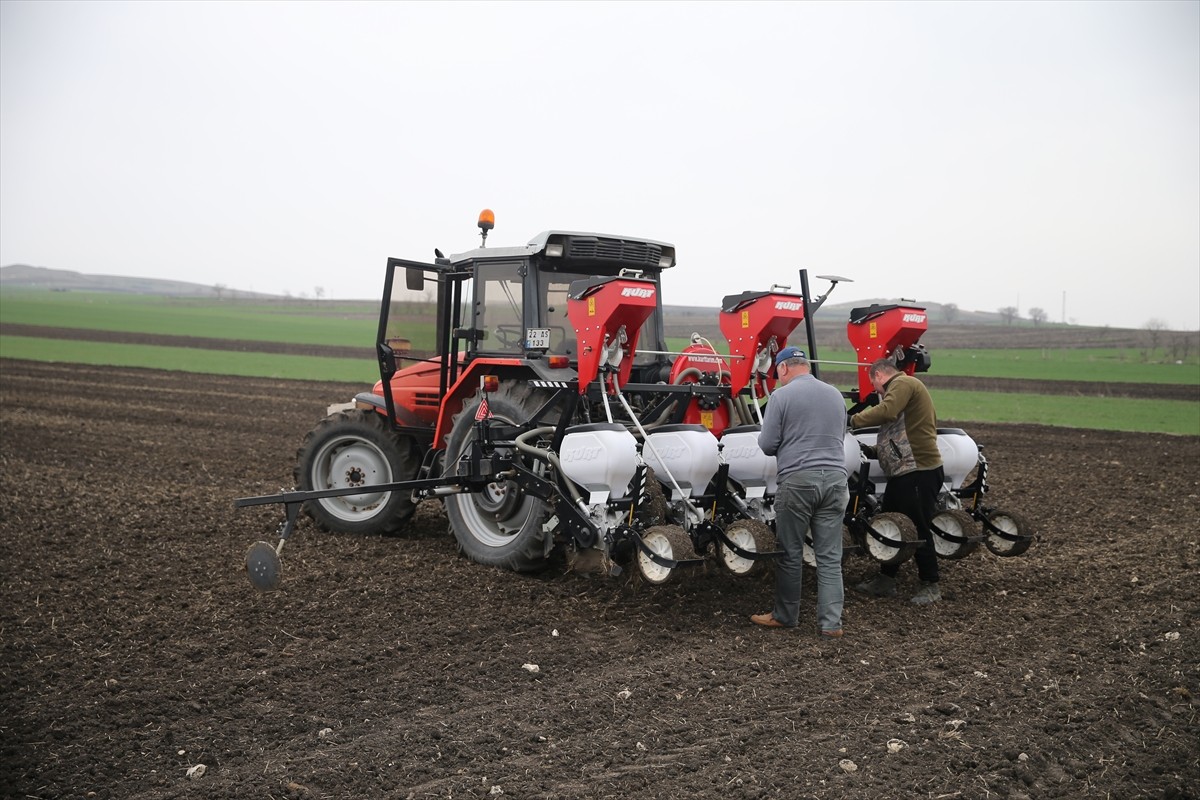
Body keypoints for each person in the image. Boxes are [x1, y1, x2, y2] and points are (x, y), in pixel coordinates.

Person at [751, 346, 850, 637]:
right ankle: (831, 624)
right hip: (835, 479)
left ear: (783, 368)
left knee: (791, 552)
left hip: (798, 481)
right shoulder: (835, 394)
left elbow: (768, 444)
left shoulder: (781, 396)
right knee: (830, 556)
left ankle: (785, 615)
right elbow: (839, 436)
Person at [849, 358, 945, 605]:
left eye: (874, 385)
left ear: (880, 375)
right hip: (904, 472)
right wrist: (872, 450)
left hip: (918, 470)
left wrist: (852, 421)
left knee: (917, 526)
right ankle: (886, 578)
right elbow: (897, 432)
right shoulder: (904, 388)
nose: (876, 390)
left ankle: (931, 583)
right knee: (892, 524)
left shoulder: (903, 383)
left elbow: (887, 412)